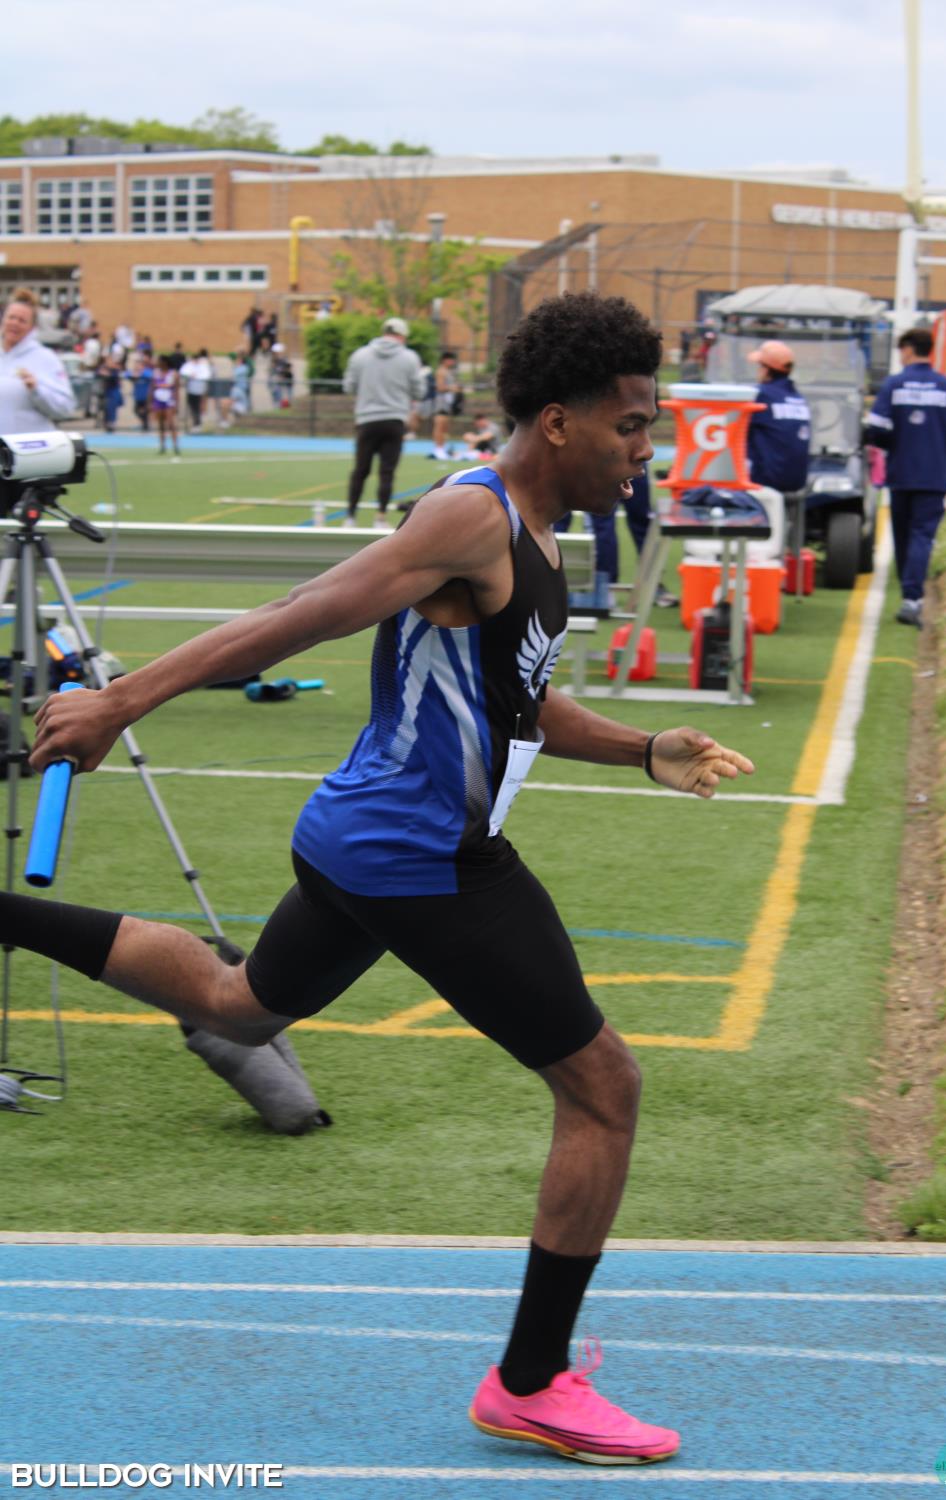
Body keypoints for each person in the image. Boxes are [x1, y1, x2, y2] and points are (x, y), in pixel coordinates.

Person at [19, 291, 756, 1468]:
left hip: (363, 843)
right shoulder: (471, 516)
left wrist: (641, 748)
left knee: (235, 1006)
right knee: (603, 1086)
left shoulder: (536, 533)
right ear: (558, 422)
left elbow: (518, 701)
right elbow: (303, 613)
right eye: (630, 426)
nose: (643, 450)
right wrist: (120, 699)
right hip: (424, 859)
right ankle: (530, 1383)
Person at [864, 326, 946, 628]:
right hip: (936, 474)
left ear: (908, 350)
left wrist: (896, 444)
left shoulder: (894, 385)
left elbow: (876, 429)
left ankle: (909, 592)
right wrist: (936, 442)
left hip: (901, 472)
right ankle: (912, 598)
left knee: (903, 534)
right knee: (922, 534)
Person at [342, 316, 424, 530]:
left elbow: (349, 386)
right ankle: (380, 517)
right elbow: (419, 391)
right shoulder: (409, 357)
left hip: (366, 418)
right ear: (402, 335)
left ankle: (350, 516)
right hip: (395, 419)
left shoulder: (360, 355)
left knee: (360, 470)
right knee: (387, 471)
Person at [0, 287, 75, 433]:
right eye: (11, 317)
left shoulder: (45, 358)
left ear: (32, 327)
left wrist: (36, 390)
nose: (15, 323)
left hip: (28, 445)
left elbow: (66, 408)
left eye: (22, 320)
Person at [745, 340, 812, 494]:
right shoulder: (798, 398)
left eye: (760, 366)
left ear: (767, 370)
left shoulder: (760, 395)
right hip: (797, 482)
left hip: (764, 483)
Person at [431, 350, 462, 460]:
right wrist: (452, 388)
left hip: (448, 403)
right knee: (439, 425)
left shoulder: (449, 372)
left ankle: (442, 448)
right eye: (451, 360)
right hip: (441, 403)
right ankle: (438, 449)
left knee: (444, 427)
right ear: (445, 360)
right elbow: (439, 387)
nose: (453, 362)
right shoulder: (441, 371)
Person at [150, 355, 181, 456]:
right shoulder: (156, 373)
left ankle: (175, 445)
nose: (158, 363)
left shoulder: (173, 373)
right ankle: (162, 446)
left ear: (164, 362)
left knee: (171, 423)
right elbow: (152, 387)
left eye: (159, 361)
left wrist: (177, 403)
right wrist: (150, 402)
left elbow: (176, 389)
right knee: (160, 424)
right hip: (158, 400)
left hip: (169, 400)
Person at [180, 348, 213, 432]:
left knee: (197, 406)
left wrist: (196, 376)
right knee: (192, 406)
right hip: (191, 389)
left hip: (199, 389)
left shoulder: (202, 366)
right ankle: (196, 422)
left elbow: (207, 375)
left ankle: (197, 423)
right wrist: (190, 376)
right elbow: (183, 373)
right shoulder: (189, 365)